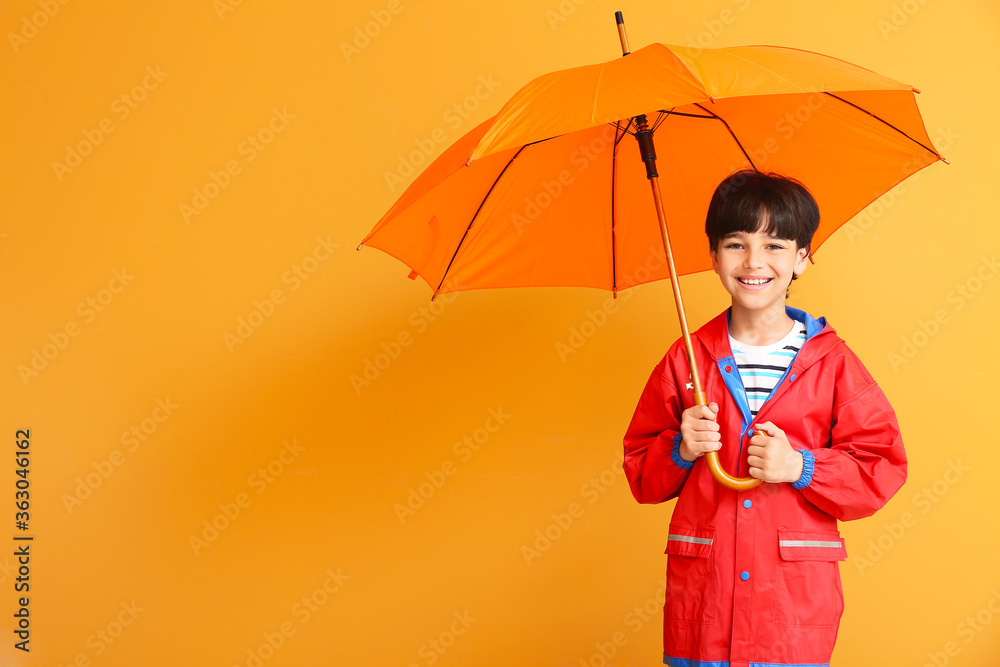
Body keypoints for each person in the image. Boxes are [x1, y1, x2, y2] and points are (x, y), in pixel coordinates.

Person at [622, 170, 907, 667]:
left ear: (801, 258)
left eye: (775, 245)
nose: (754, 261)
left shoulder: (832, 363)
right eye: (735, 243)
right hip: (705, 610)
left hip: (790, 612)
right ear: (713, 256)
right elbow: (641, 475)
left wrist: (802, 467)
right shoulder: (686, 361)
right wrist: (681, 450)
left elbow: (881, 466)